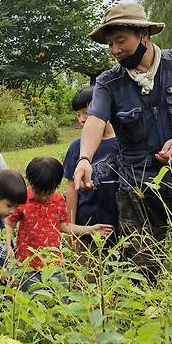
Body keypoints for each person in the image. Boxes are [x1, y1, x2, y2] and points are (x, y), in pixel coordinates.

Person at [73, 3, 172, 281]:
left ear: (144, 35)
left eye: (121, 41)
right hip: (137, 187)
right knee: (142, 266)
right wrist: (84, 158)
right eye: (109, 43)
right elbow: (95, 120)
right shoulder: (109, 81)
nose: (115, 50)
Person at [6, 157, 113, 290]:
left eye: (49, 193)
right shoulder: (22, 198)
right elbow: (9, 223)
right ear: (30, 182)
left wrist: (90, 229)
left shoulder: (58, 200)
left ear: (56, 186)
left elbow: (64, 226)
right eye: (39, 193)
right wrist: (8, 245)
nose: (44, 198)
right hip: (27, 265)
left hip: (54, 263)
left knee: (60, 298)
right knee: (31, 300)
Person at [63, 87, 120, 263]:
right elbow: (71, 187)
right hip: (87, 228)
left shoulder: (124, 143)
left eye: (86, 113)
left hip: (122, 226)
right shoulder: (76, 147)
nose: (81, 119)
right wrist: (72, 228)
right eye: (78, 115)